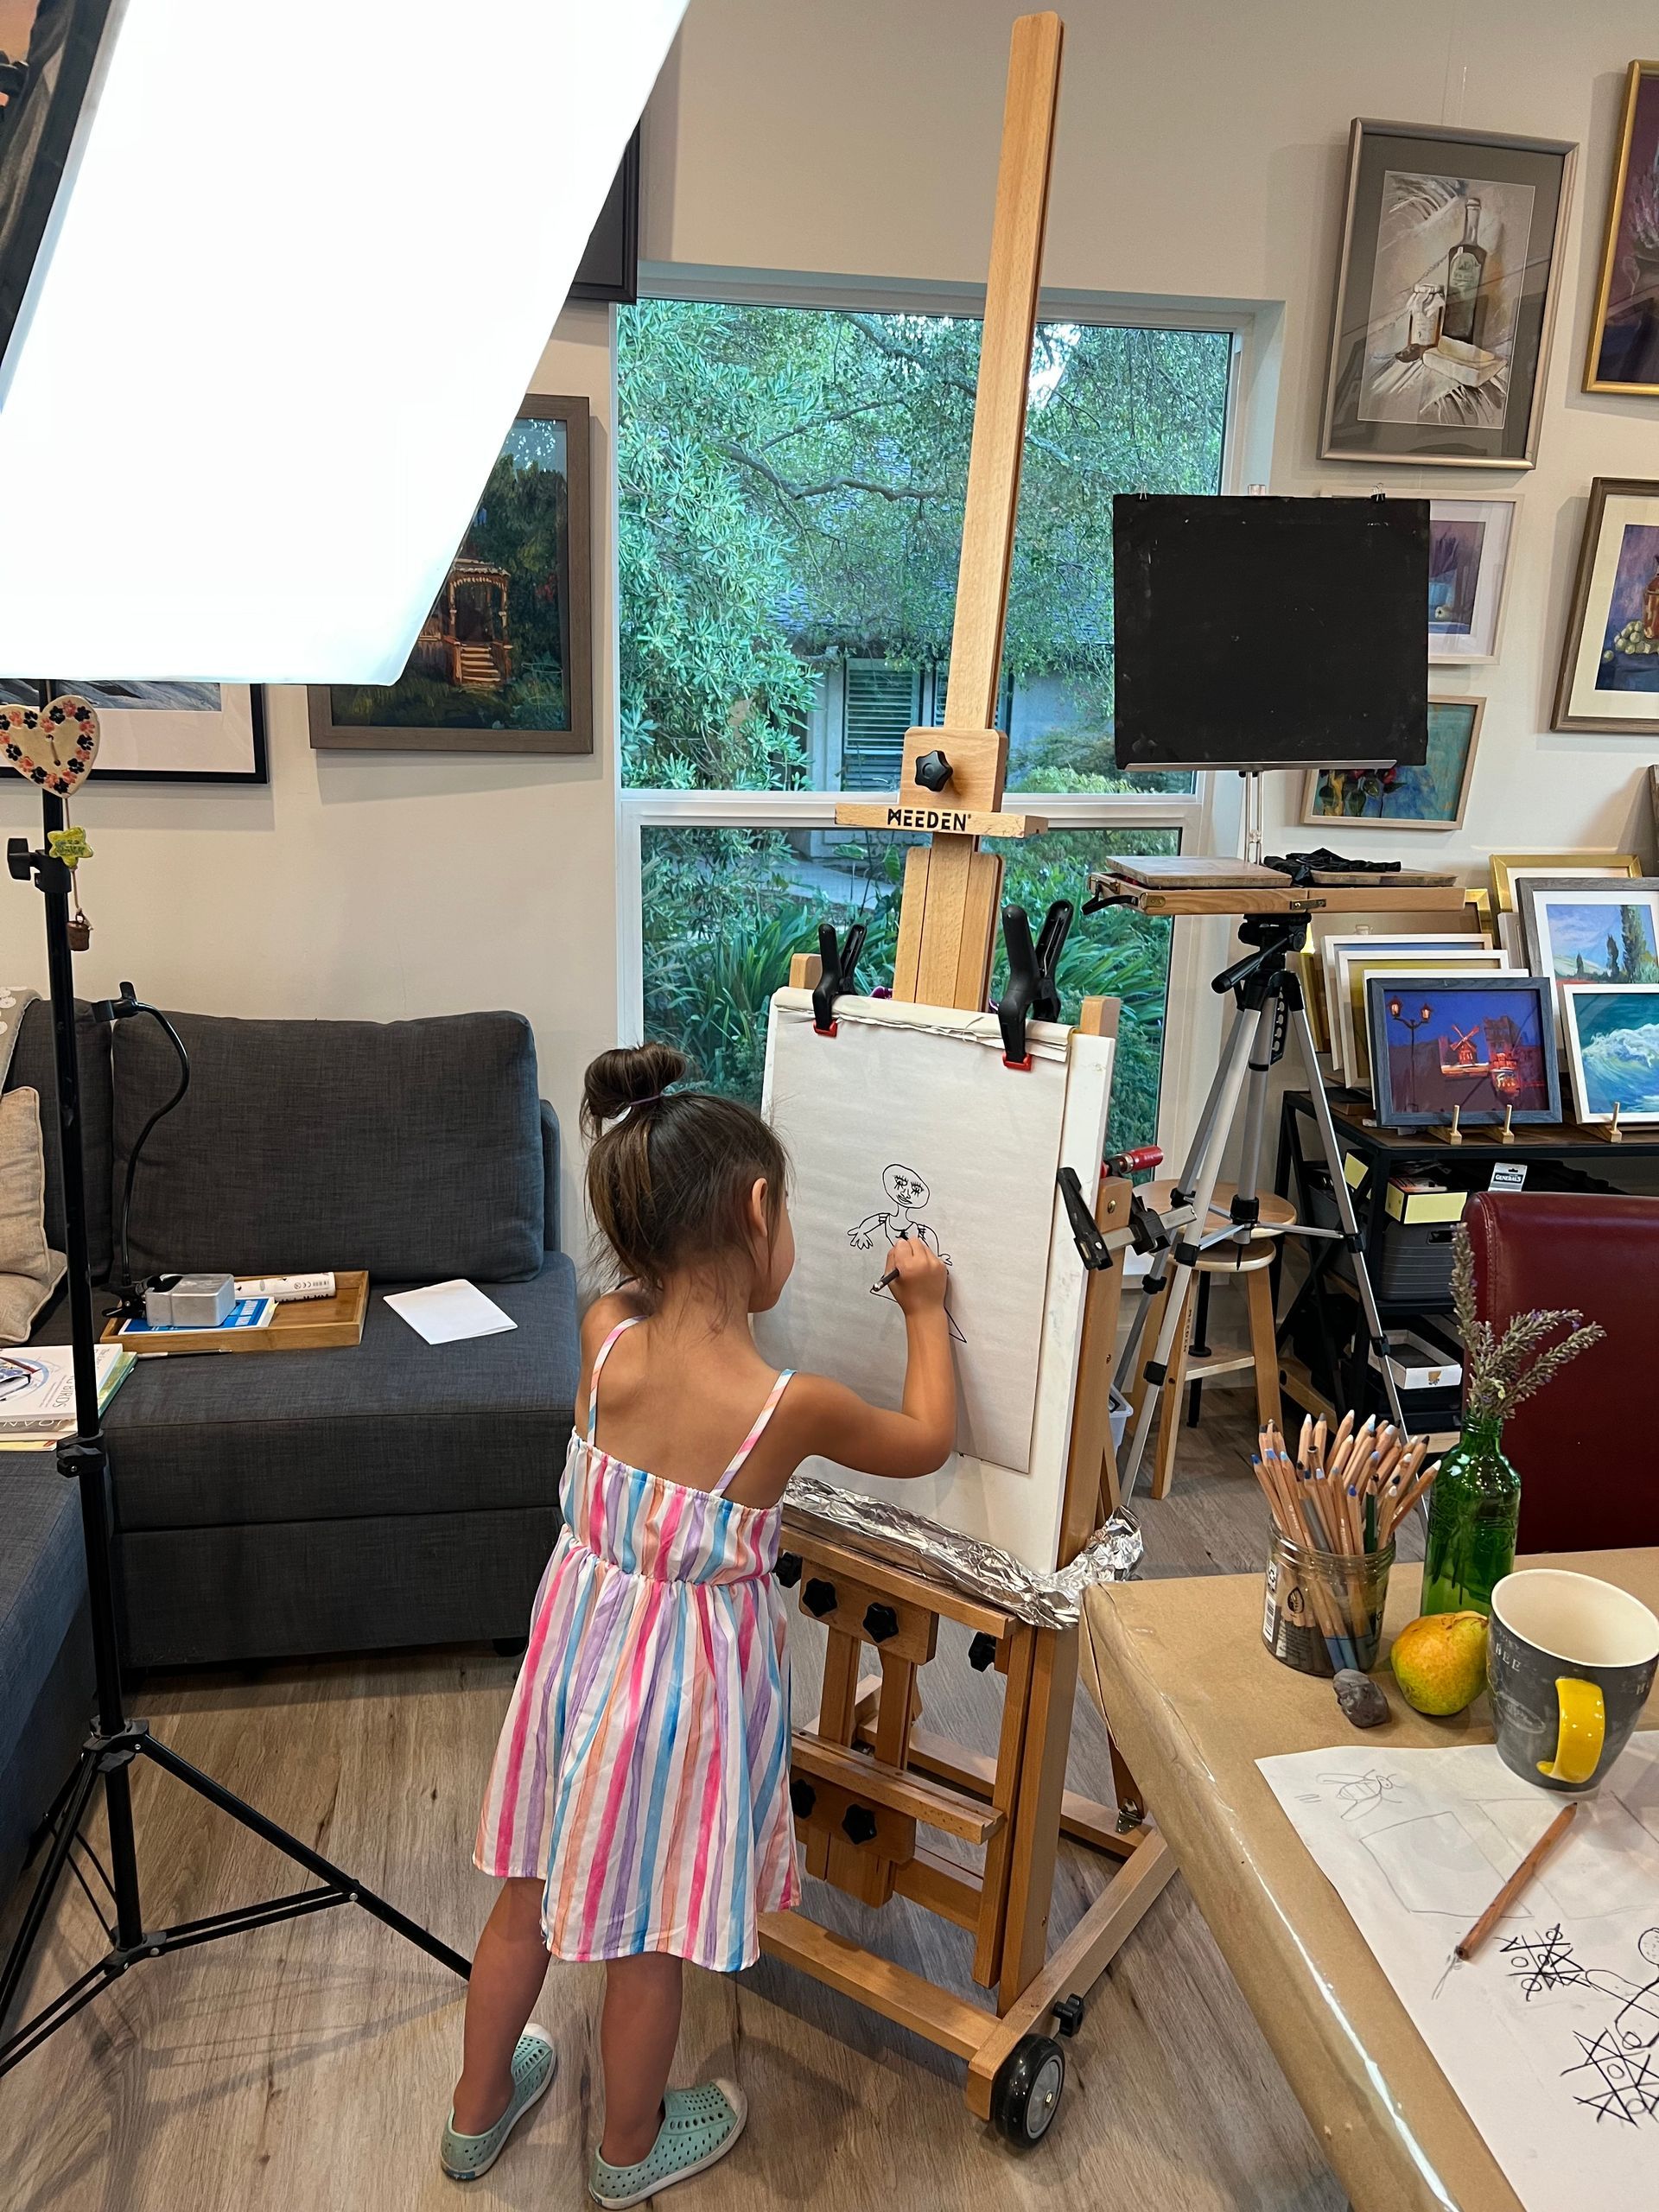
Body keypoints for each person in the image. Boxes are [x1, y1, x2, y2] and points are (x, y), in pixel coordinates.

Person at [442, 1041, 956, 2205]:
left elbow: (638, 1312)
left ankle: (474, 2117)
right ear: (758, 1210)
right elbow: (924, 1438)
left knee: (523, 1892)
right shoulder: (787, 1409)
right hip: (678, 1696)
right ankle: (627, 2154)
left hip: (572, 1658)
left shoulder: (600, 1330)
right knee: (648, 1935)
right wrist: (923, 1304)